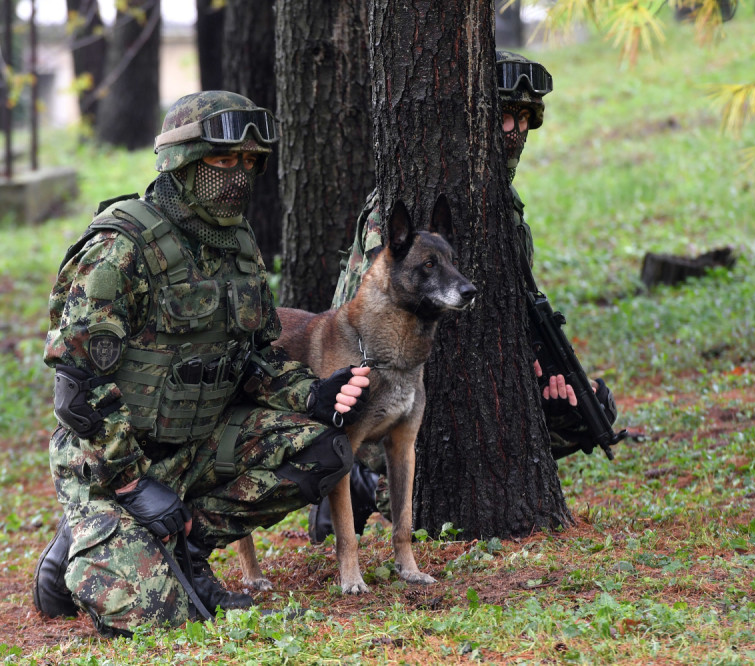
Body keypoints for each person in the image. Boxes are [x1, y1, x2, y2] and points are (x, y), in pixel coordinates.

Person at [32, 91, 371, 637]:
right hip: (110, 462)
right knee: (151, 616)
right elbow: (78, 392)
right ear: (180, 163)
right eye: (221, 160)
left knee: (323, 449)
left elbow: (255, 358)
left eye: (248, 162)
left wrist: (310, 394)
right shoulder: (120, 248)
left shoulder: (238, 247)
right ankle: (78, 548)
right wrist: (130, 485)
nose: (238, 175)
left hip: (197, 447)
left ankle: (184, 543)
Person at [310, 51, 618, 543]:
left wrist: (539, 369)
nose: (513, 130)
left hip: (480, 389)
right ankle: (363, 482)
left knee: (590, 406)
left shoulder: (508, 210)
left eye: (523, 119)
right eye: (501, 116)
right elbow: (358, 332)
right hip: (396, 393)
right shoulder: (392, 220)